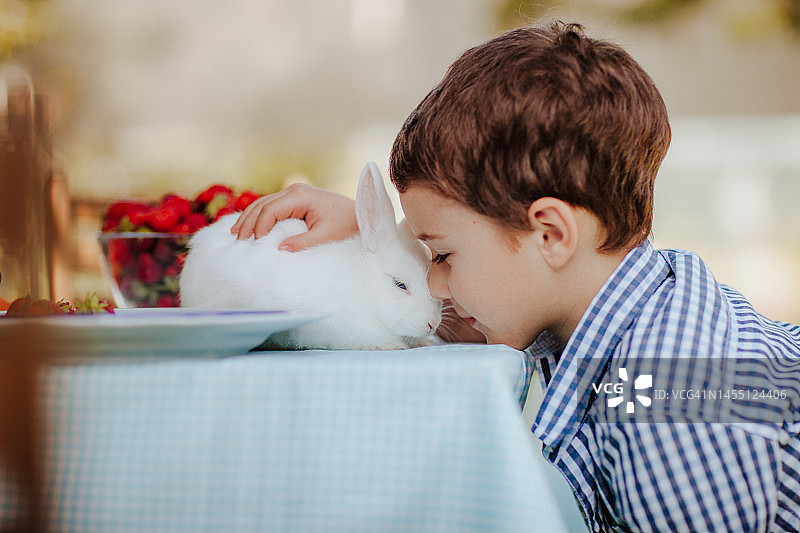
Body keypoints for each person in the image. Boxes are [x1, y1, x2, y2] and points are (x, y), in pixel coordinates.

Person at [232, 21, 800, 532]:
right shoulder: (586, 300)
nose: (435, 285)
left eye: (444, 256)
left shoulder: (670, 403)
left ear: (550, 234)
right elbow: (441, 320)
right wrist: (368, 236)